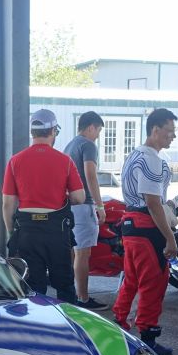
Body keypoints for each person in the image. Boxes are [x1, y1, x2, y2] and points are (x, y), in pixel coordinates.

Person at [112, 109, 178, 355]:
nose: (172, 136)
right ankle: (148, 338)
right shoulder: (151, 159)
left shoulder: (134, 155)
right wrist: (170, 238)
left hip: (130, 224)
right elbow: (152, 202)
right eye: (169, 130)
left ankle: (118, 326)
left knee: (131, 279)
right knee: (154, 282)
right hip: (146, 226)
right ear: (155, 130)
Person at [2, 109, 86, 303]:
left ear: (32, 132)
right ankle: (67, 328)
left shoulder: (15, 161)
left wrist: (12, 232)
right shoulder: (65, 161)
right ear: (53, 131)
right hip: (56, 232)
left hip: (27, 233)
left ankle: (37, 328)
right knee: (64, 285)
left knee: (33, 289)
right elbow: (79, 197)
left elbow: (8, 204)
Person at [63, 111, 109, 310]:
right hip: (84, 205)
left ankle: (72, 293)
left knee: (74, 251)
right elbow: (90, 174)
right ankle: (82, 298)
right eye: (98, 130)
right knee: (83, 253)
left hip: (69, 204)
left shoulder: (70, 145)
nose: (98, 134)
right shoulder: (88, 145)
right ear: (91, 127)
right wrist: (100, 205)